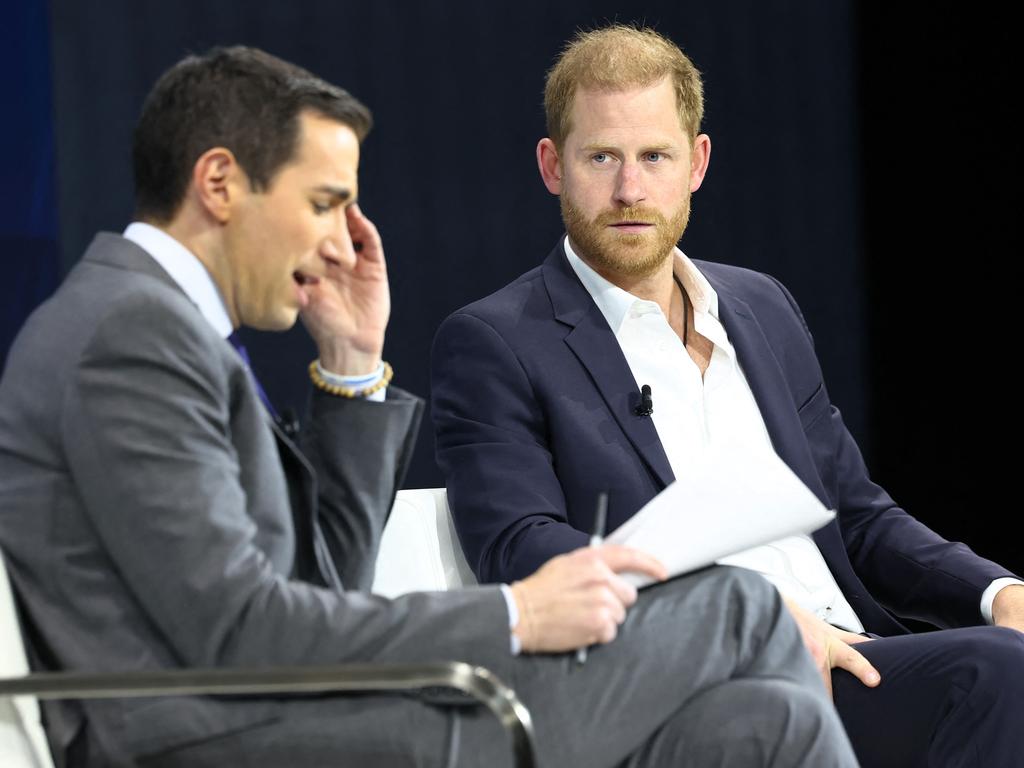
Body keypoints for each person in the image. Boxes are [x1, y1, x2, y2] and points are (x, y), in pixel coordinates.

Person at [0, 46, 857, 767]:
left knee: (761, 725)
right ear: (220, 183)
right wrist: (518, 613)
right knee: (737, 608)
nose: (340, 242)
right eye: (325, 202)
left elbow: (316, 580)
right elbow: (242, 632)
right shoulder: (131, 336)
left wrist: (351, 364)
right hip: (216, 736)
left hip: (285, 711)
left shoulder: (155, 325)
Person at [431, 24, 1024, 767]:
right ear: (553, 166)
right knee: (997, 676)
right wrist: (742, 611)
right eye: (601, 158)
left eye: (654, 157)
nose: (629, 190)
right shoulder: (496, 341)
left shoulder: (761, 307)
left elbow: (858, 517)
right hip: (708, 688)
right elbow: (520, 548)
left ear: (698, 163)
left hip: (853, 657)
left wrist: (996, 592)